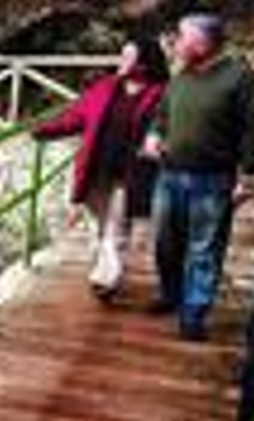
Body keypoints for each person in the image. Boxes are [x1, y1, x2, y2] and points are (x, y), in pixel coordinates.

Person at [143, 13, 254, 340]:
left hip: (212, 180)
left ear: (202, 42)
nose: (177, 43)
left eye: (182, 37)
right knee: (165, 244)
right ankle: (171, 296)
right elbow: (162, 114)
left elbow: (253, 130)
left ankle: (193, 313)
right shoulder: (181, 75)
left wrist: (247, 175)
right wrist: (154, 135)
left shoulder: (239, 77)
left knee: (204, 248)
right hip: (170, 175)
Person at [33, 37, 169, 304]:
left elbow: (168, 130)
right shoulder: (105, 87)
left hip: (132, 173)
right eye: (122, 55)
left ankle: (107, 278)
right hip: (96, 169)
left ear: (144, 62)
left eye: (128, 56)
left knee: (117, 227)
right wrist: (45, 130)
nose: (122, 61)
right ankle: (103, 268)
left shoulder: (161, 94)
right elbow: (76, 116)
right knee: (97, 225)